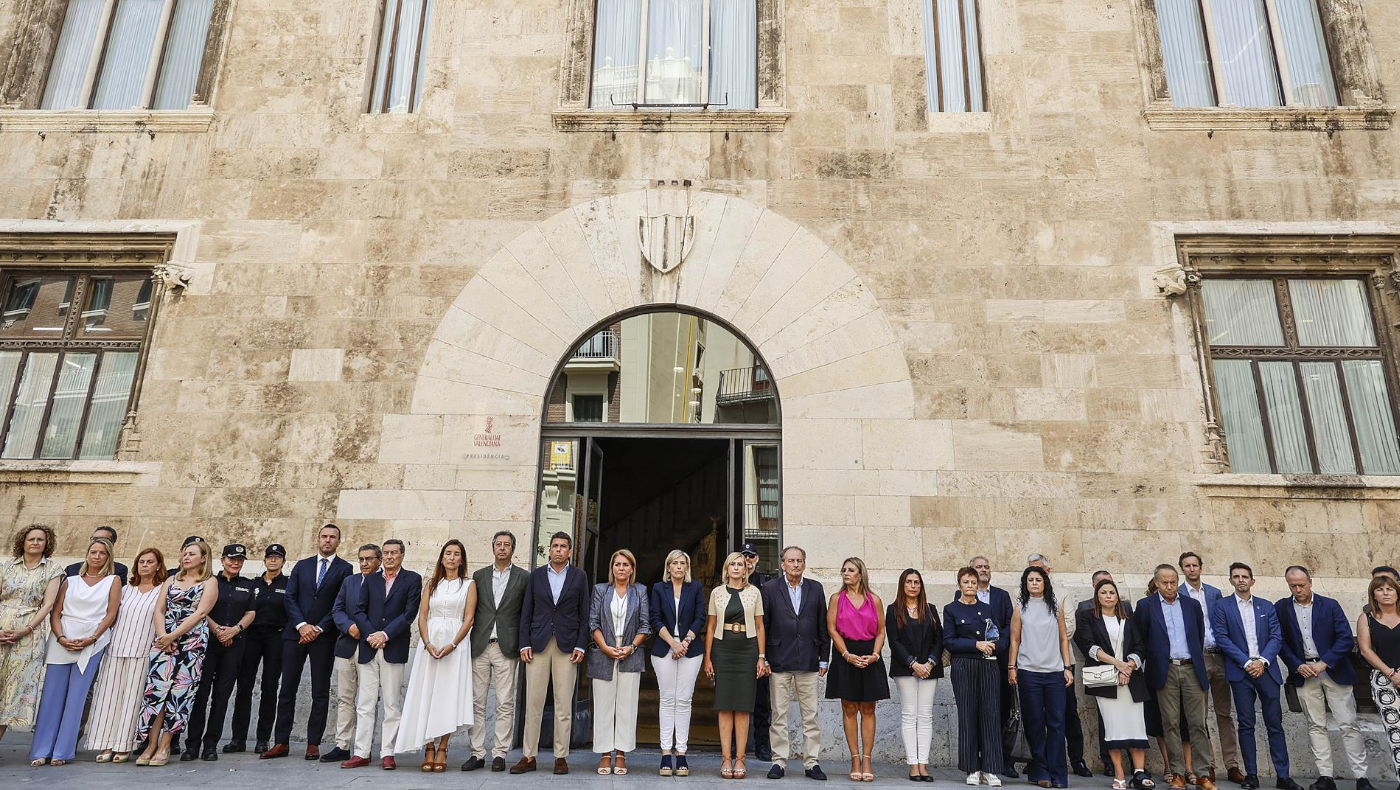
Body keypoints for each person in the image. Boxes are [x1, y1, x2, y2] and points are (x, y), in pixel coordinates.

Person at [262, 523, 352, 761]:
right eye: (324, 536)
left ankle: (313, 743)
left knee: (320, 691)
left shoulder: (345, 569)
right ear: (318, 539)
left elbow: (340, 603)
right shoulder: (302, 566)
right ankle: (281, 741)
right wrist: (302, 625)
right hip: (295, 635)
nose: (327, 540)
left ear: (338, 541)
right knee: (287, 689)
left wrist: (319, 628)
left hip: (324, 637)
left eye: (332, 537)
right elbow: (290, 598)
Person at [28, 537, 121, 767]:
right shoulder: (69, 580)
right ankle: (41, 750)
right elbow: (56, 612)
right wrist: (60, 637)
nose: (96, 556)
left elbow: (111, 614)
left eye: (102, 553)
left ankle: (61, 751)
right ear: (87, 554)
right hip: (62, 639)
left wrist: (92, 638)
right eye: (93, 552)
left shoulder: (113, 580)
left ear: (108, 557)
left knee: (76, 699)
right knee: (51, 696)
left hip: (92, 641)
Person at [1276, 565, 1370, 790]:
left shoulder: (1330, 605)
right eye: (1293, 586)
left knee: (1348, 724)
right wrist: (1298, 665)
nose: (1298, 589)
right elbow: (1280, 641)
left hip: (1333, 670)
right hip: (1304, 673)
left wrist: (1324, 663)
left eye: (1302, 584)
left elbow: (1346, 639)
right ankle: (1325, 776)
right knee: (1315, 725)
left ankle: (1362, 778)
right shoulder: (1281, 607)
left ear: (1311, 581)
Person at [1212, 562, 1300, 790]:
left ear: (1252, 580)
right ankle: (1251, 774)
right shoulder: (1222, 607)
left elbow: (1276, 637)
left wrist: (1262, 661)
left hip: (1267, 671)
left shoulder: (1266, 606)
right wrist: (1246, 662)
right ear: (1230, 581)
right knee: (1246, 724)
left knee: (1275, 725)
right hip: (1241, 673)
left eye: (1245, 576)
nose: (1241, 580)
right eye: (1236, 576)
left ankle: (1283, 776)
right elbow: (1222, 638)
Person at [512, 531, 590, 776]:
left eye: (563, 546)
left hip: (567, 647)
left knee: (563, 704)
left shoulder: (579, 576)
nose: (558, 550)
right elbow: (527, 611)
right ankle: (529, 755)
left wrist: (581, 645)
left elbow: (584, 614)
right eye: (555, 546)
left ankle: (561, 756)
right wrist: (524, 643)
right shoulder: (536, 576)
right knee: (533, 702)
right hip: (537, 645)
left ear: (569, 551)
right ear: (549, 550)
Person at [135, 540, 218, 767]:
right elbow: (159, 609)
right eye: (185, 554)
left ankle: (165, 745)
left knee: (178, 696)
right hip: (164, 642)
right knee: (156, 694)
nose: (186, 557)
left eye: (192, 554)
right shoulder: (171, 579)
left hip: (191, 644)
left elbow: (201, 613)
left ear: (203, 558)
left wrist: (174, 636)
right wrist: (163, 636)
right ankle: (150, 745)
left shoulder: (209, 582)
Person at [395, 539, 475, 772]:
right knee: (427, 692)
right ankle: (428, 747)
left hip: (455, 644)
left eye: (456, 554)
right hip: (429, 644)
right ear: (441, 557)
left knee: (447, 695)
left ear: (462, 559)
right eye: (448, 553)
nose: (451, 557)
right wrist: (428, 643)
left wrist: (452, 644)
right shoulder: (431, 584)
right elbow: (422, 616)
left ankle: (442, 747)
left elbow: (469, 618)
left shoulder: (468, 585)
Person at [1134, 565, 1216, 790]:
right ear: (1156, 583)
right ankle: (1178, 773)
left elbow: (1198, 636)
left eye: (1173, 582)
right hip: (1164, 669)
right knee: (1170, 723)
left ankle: (1202, 774)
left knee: (1197, 723)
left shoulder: (1192, 605)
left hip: (1191, 668)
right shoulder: (1145, 606)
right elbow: (1141, 638)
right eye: (1164, 583)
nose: (1169, 587)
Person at [345, 538, 421, 770]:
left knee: (391, 703)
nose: (388, 557)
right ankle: (361, 752)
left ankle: (388, 752)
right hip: (369, 647)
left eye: (393, 553)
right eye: (386, 553)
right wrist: (371, 635)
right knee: (365, 703)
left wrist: (385, 635)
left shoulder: (412, 580)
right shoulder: (370, 580)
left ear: (402, 556)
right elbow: (359, 609)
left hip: (393, 647)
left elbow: (409, 614)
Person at [86, 547, 164, 762]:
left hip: (142, 651)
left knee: (132, 700)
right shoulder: (126, 589)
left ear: (158, 565)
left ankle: (124, 745)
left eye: (150, 562)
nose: (145, 565)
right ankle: (106, 744)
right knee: (109, 698)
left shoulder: (161, 590)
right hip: (116, 648)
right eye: (141, 562)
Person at [1074, 578, 1152, 790]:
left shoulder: (1127, 618)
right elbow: (1089, 647)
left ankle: (1139, 773)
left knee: (1137, 725)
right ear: (1097, 597)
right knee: (1113, 726)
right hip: (1107, 680)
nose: (1108, 596)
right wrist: (1118, 664)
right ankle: (1119, 773)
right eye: (1104, 593)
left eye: (1112, 592)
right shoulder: (1087, 618)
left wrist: (1129, 666)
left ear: (1117, 597)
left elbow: (1140, 646)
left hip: (1131, 679)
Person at [183, 543, 257, 762]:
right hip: (208, 643)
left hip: (235, 644)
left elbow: (251, 612)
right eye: (232, 559)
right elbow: (200, 610)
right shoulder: (210, 582)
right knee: (201, 693)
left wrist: (234, 630)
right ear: (223, 560)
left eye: (240, 560)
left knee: (222, 696)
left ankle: (211, 744)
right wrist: (217, 630)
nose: (235, 563)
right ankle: (192, 744)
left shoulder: (248, 585)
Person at [761, 545, 829, 781]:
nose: (795, 565)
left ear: (804, 563)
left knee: (811, 715)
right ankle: (779, 761)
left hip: (809, 659)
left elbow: (822, 625)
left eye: (799, 560)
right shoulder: (769, 589)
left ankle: (812, 763)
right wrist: (765, 657)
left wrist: (824, 657)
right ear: (782, 564)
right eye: (791, 561)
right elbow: (765, 626)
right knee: (779, 714)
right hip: (779, 660)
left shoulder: (816, 588)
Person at [463, 531, 529, 773]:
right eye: (498, 544)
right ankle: (477, 753)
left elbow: (525, 614)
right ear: (492, 548)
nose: (502, 548)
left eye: (507, 545)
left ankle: (500, 753)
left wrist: (524, 643)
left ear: (513, 549)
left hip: (506, 646)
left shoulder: (524, 577)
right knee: (476, 702)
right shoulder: (478, 577)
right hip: (480, 644)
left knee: (505, 702)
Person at [1178, 552, 1243, 785]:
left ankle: (1232, 765)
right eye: (1187, 566)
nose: (1192, 569)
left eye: (1195, 565)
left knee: (1225, 713)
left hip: (1220, 655)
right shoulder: (1179, 593)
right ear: (1182, 569)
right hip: (1198, 658)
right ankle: (1208, 766)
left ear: (1201, 567)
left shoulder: (1214, 592)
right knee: (1200, 716)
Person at [1026, 554, 1093, 780]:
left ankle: (1076, 759)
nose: (1035, 576)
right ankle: (1040, 763)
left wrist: (1045, 642)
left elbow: (1069, 628)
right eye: (1031, 571)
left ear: (1048, 571)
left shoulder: (1061, 594)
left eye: (1039, 571)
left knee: (1067, 714)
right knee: (1035, 716)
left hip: (1061, 663)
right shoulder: (1023, 598)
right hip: (1033, 666)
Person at [704, 550, 769, 780]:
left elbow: (760, 626)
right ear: (727, 568)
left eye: (740, 564)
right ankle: (726, 758)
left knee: (742, 706)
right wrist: (708, 657)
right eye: (732, 564)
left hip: (747, 650)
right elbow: (711, 627)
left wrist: (761, 656)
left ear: (746, 569)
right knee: (724, 704)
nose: (736, 568)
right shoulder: (716, 593)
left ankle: (740, 758)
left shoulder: (755, 593)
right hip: (723, 649)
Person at [1008, 565, 1073, 789]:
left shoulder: (1055, 607)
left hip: (1054, 673)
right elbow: (1014, 639)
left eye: (1038, 579)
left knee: (1056, 724)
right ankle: (1040, 770)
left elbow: (1064, 638)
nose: (1034, 583)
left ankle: (1058, 774)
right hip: (1029, 673)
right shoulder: (1020, 607)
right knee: (1034, 722)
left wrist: (1067, 667)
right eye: (1030, 580)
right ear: (1025, 584)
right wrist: (1011, 667)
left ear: (1045, 582)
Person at [0, 524, 63, 751]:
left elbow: (47, 605)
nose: (35, 543)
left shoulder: (53, 570)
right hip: (1, 629)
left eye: (40, 539)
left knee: (13, 690)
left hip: (27, 638)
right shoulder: (7, 567)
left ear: (47, 543)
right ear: (23, 542)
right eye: (31, 539)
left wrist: (26, 629)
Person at [826, 556, 888, 783]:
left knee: (869, 709)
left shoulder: (875, 600)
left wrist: (875, 654)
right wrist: (846, 655)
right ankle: (854, 759)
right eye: (843, 570)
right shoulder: (836, 599)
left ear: (860, 574)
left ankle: (868, 759)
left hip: (870, 654)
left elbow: (881, 631)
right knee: (850, 708)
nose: (845, 573)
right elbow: (832, 629)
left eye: (850, 570)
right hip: (845, 653)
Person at [589, 548, 650, 775]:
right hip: (603, 651)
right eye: (617, 564)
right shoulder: (600, 590)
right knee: (604, 705)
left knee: (626, 706)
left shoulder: (640, 591)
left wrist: (631, 647)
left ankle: (621, 754)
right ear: (612, 568)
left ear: (632, 569)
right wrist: (605, 647)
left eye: (625, 565)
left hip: (630, 653)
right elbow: (593, 622)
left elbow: (645, 624)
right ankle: (605, 754)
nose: (621, 568)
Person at [945, 565, 1005, 787]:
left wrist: (993, 646)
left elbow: (997, 634)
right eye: (966, 582)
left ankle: (991, 769)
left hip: (987, 666)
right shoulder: (951, 609)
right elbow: (949, 641)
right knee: (968, 715)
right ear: (959, 585)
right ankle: (972, 768)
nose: (970, 586)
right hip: (963, 666)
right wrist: (975, 644)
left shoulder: (987, 609)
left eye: (973, 582)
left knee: (990, 715)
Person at [321, 543, 381, 763]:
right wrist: (349, 627)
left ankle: (362, 748)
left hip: (370, 648)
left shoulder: (384, 583)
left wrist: (363, 630)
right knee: (345, 698)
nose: (364, 563)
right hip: (346, 646)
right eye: (361, 559)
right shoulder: (350, 581)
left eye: (369, 559)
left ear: (379, 560)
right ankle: (342, 744)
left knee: (367, 700)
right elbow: (337, 609)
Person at [652, 548, 707, 777]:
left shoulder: (695, 588)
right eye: (674, 563)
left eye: (682, 563)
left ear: (687, 567)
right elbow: (654, 617)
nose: (678, 566)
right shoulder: (658, 588)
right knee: (667, 699)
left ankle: (681, 752)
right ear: (668, 567)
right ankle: (666, 752)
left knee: (684, 700)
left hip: (691, 650)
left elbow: (700, 617)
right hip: (664, 649)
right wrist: (673, 644)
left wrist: (684, 642)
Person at [230, 543, 288, 754]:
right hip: (251, 636)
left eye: (277, 557)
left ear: (283, 561)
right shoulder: (252, 584)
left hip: (276, 637)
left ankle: (263, 738)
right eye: (270, 557)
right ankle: (238, 738)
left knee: (270, 687)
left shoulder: (288, 584)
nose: (273, 560)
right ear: (264, 560)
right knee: (244, 686)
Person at [886, 567, 942, 782]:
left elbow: (939, 639)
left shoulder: (930, 609)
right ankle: (913, 765)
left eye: (916, 582)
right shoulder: (893, 610)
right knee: (910, 715)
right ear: (902, 585)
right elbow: (894, 641)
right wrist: (913, 663)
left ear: (921, 586)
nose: (912, 586)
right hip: (905, 670)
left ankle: (923, 765)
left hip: (930, 669)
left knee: (926, 716)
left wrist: (929, 663)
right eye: (909, 582)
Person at [962, 554, 1016, 778]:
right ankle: (975, 762)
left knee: (1000, 713)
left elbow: (1008, 626)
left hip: (998, 663)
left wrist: (997, 646)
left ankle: (1002, 761)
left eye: (986, 567)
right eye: (978, 568)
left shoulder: (1002, 596)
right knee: (973, 713)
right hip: (972, 663)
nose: (983, 570)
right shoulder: (960, 597)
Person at [1076, 570, 1131, 778]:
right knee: (1106, 718)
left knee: (1129, 717)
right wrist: (1100, 662)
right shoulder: (1084, 609)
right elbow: (1083, 640)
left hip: (1127, 671)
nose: (1107, 592)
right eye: (1101, 587)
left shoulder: (1125, 608)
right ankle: (1109, 762)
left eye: (1110, 587)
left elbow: (1133, 638)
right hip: (1101, 670)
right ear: (1094, 588)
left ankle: (1134, 765)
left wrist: (1127, 665)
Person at [1357, 574, 1400, 785]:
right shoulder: (1367, 618)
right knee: (1395, 733)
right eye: (1380, 589)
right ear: (1373, 594)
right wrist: (1391, 673)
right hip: (1384, 679)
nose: (1386, 593)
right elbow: (1365, 650)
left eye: (1390, 589)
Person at [742, 542, 773, 762]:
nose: (747, 560)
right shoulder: (729, 584)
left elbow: (770, 620)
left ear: (757, 559)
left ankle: (762, 744)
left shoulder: (767, 584)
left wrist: (767, 654)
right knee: (735, 699)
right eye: (743, 555)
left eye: (751, 556)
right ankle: (736, 745)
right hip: (737, 649)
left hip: (761, 649)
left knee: (762, 702)